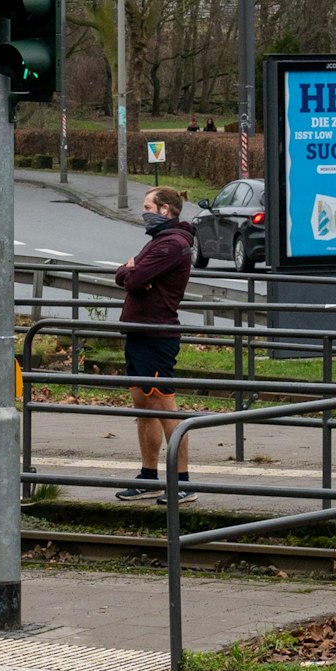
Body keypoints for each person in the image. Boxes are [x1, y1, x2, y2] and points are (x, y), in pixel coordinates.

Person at [113, 187, 198, 503]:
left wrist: (132, 272)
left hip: (157, 335)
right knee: (143, 407)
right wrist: (129, 271)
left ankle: (183, 482)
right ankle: (148, 476)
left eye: (147, 206)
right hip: (139, 333)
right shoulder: (159, 242)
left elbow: (133, 279)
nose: (143, 212)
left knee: (165, 408)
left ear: (165, 210)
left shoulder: (172, 245)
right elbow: (124, 274)